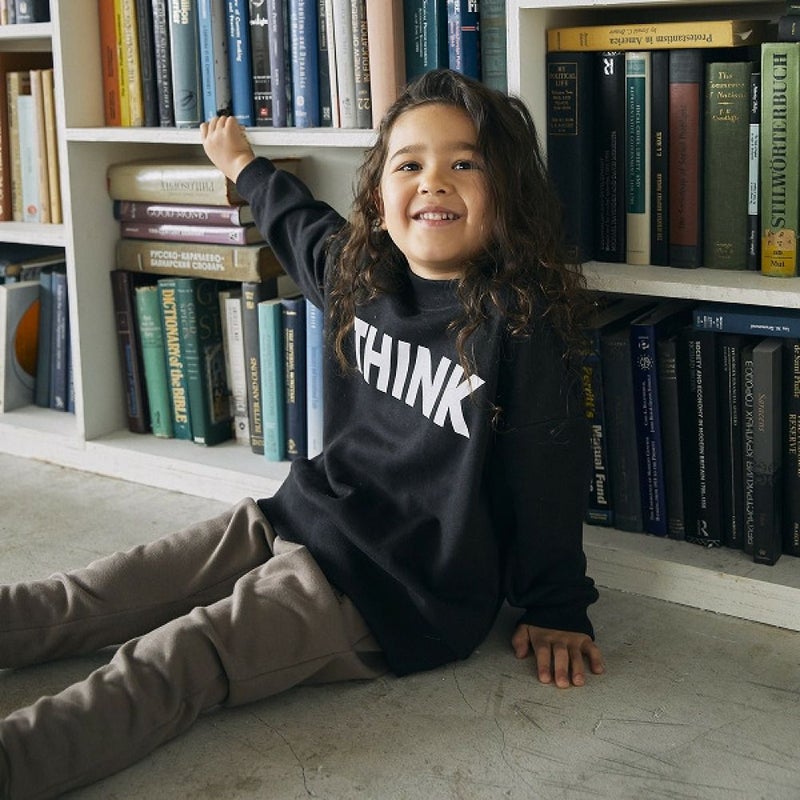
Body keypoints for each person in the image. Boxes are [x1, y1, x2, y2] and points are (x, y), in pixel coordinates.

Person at [0, 69, 603, 799]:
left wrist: (556, 605)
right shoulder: (359, 274)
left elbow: (548, 470)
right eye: (409, 164)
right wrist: (241, 165)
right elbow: (296, 222)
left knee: (175, 659)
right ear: (377, 199)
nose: (434, 181)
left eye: (465, 163)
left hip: (392, 587)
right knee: (92, 593)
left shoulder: (521, 324)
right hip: (299, 514)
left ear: (508, 194)